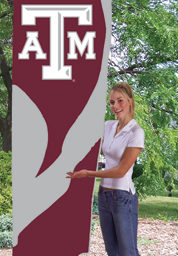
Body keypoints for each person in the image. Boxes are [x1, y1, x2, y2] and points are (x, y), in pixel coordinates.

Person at [66, 82, 144, 256]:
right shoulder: (108, 126)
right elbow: (84, 136)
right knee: (112, 252)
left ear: (130, 101)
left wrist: (88, 174)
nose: (115, 106)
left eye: (119, 101)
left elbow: (120, 171)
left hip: (123, 197)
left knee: (127, 252)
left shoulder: (136, 132)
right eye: (111, 102)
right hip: (104, 196)